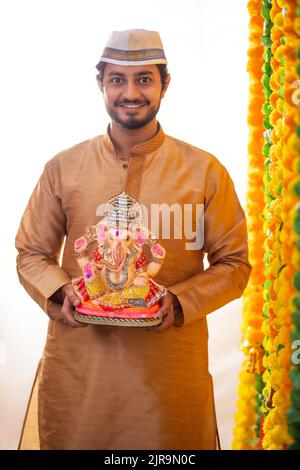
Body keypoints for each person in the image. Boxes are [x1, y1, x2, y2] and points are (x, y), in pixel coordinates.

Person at [15, 29, 251, 450]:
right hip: (81, 372)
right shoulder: (64, 168)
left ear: (165, 84)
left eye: (144, 79)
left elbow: (234, 264)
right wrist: (59, 291)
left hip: (169, 375)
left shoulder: (204, 171)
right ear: (101, 84)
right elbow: (31, 253)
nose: (130, 92)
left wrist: (180, 300)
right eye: (117, 79)